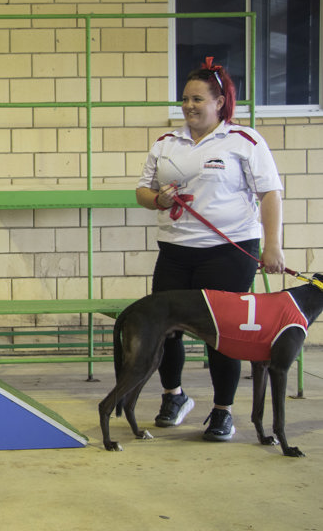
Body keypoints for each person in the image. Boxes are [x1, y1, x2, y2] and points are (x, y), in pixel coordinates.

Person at [136, 58, 285, 441]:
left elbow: (270, 194)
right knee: (165, 330)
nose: (189, 106)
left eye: (198, 99)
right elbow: (142, 191)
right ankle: (174, 396)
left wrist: (272, 246)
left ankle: (222, 411)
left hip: (228, 253)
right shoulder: (166, 143)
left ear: (219, 102)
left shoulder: (244, 141)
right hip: (175, 251)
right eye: (185, 99)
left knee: (223, 334)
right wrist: (158, 199)